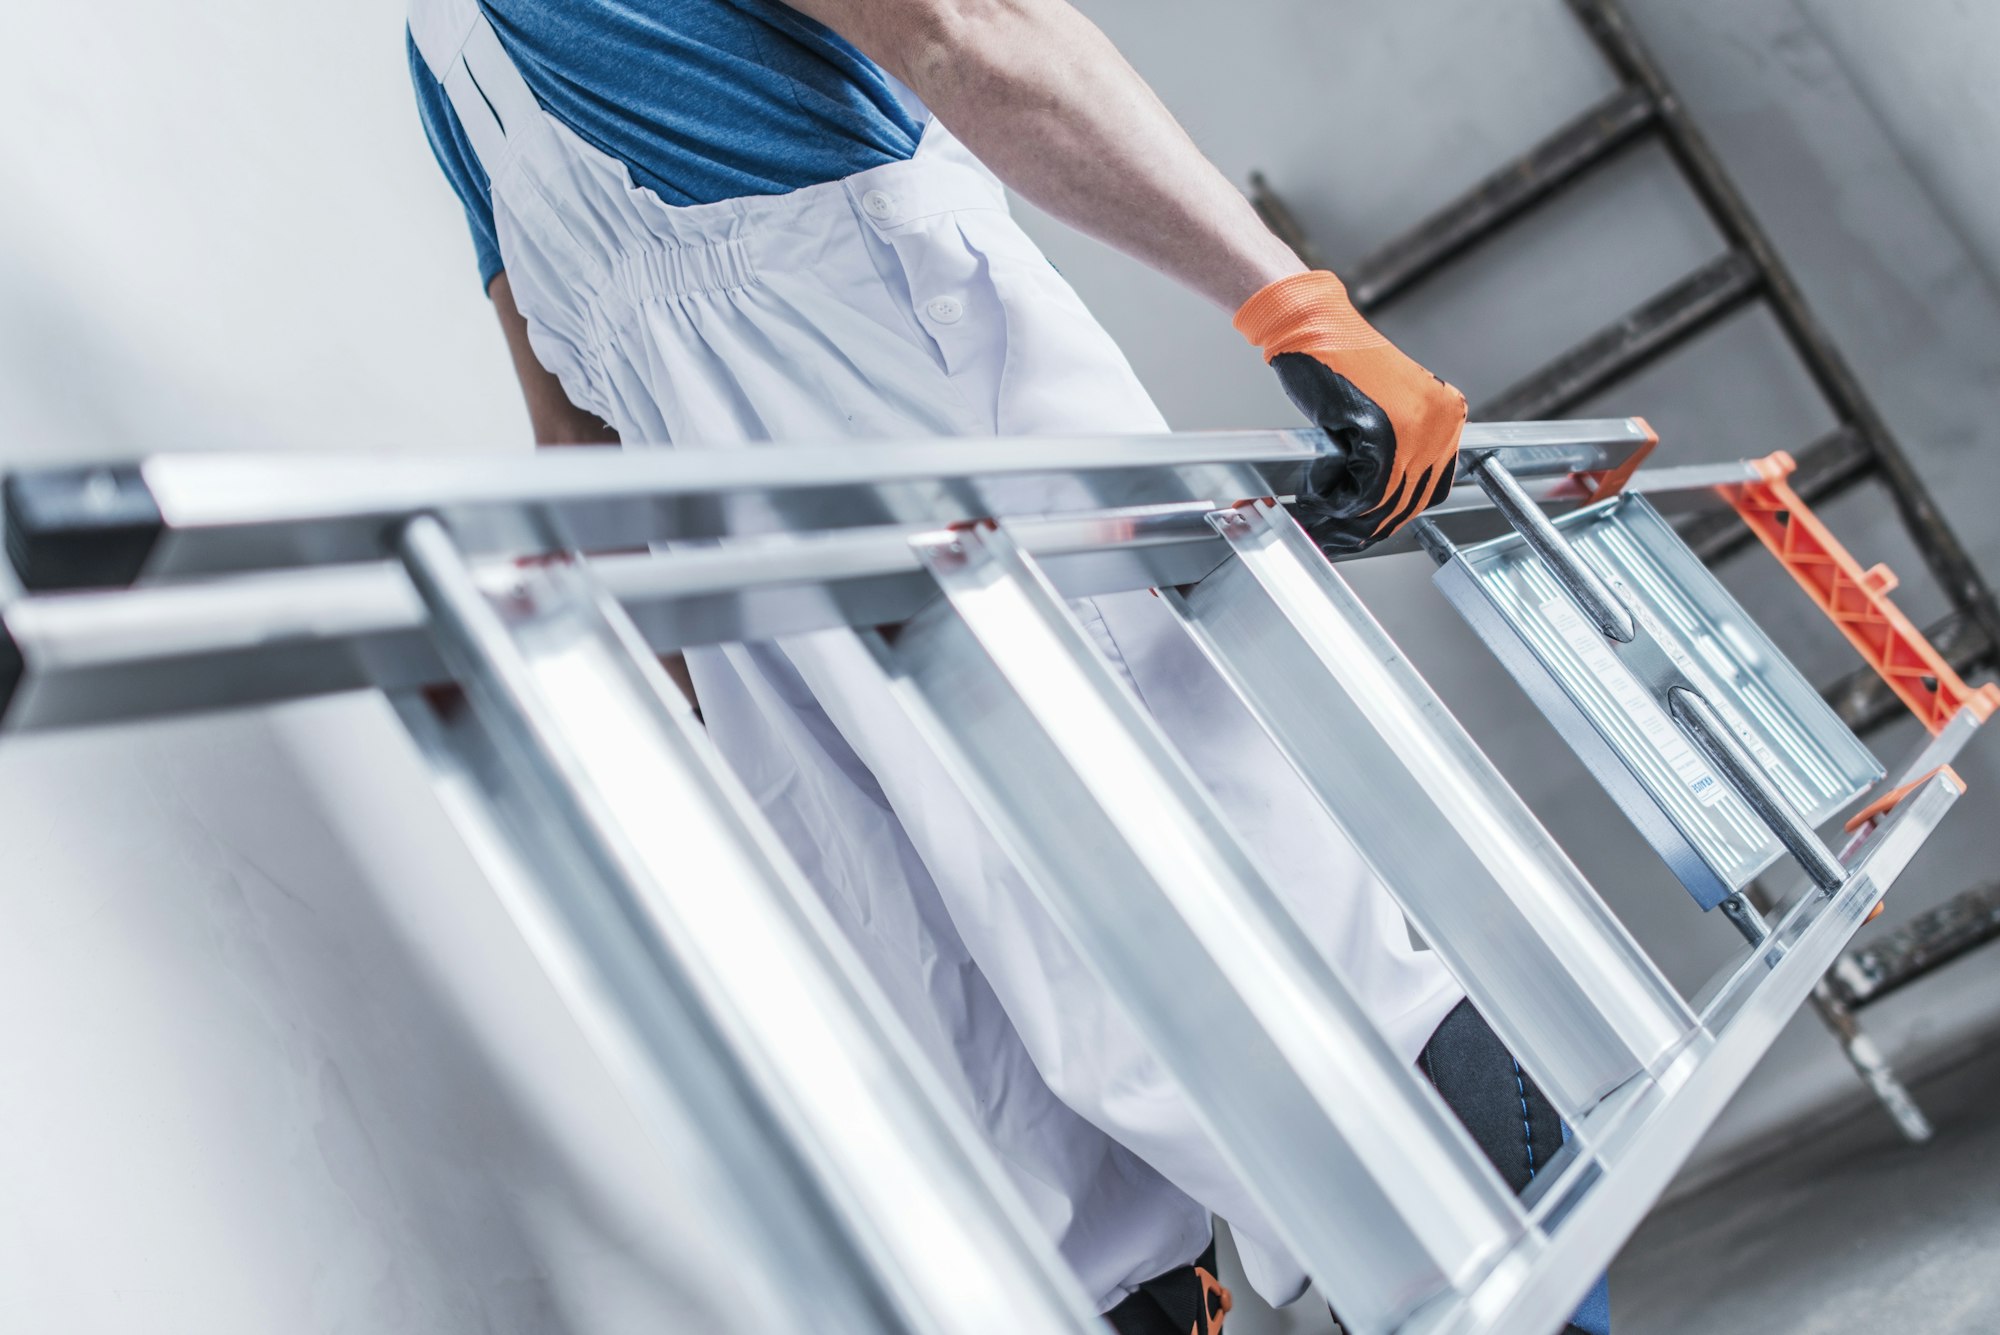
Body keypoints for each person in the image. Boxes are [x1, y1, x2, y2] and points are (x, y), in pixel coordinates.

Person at [406, 2, 1608, 1331]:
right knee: (1020, 1135)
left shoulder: (436, 42)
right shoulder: (440, 40)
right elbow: (570, 413)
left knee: (1287, 993)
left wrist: (1296, 307)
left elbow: (967, 36)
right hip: (762, 588)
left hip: (951, 451)